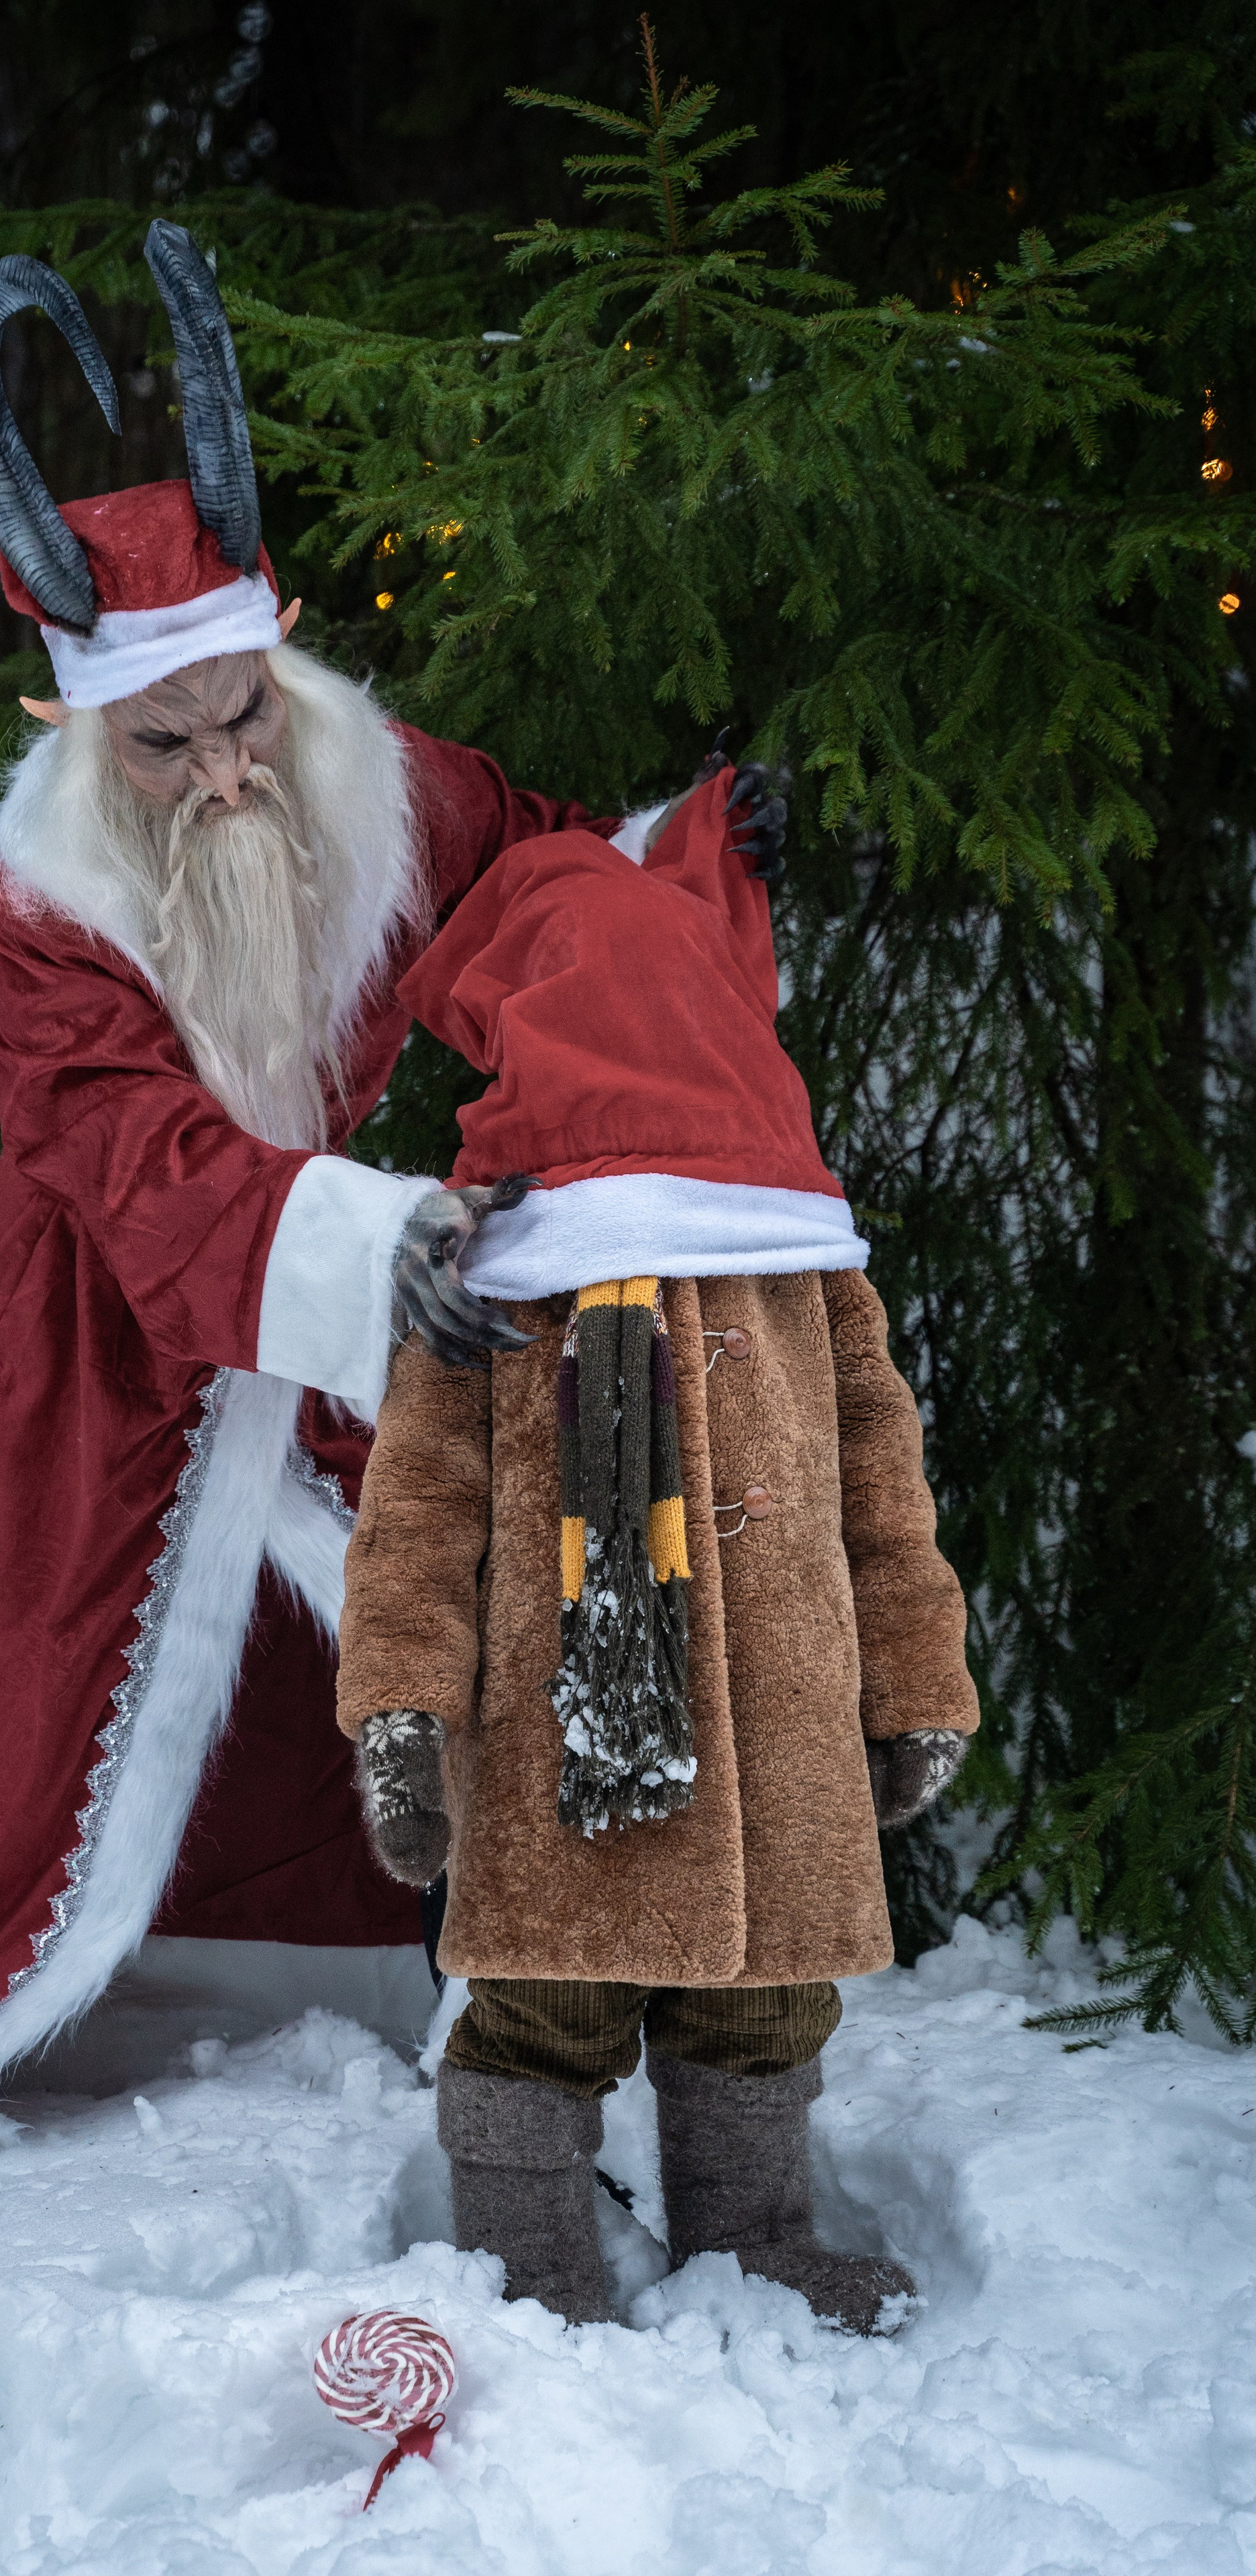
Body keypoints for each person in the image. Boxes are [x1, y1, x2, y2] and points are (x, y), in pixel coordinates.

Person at [0, 228, 788, 2180]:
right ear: (81, 727)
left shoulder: (376, 781)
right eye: (171, 742)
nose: (231, 776)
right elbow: (135, 1163)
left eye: (248, 716)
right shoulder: (39, 905)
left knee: (394, 1637)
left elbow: (548, 883)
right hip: (104, 1339)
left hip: (327, 1307)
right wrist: (369, 1252)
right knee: (14, 1671)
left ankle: (418, 1974)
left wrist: (697, 851)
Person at [335, 753, 978, 2332]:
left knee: (760, 2012)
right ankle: (523, 2268)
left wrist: (912, 1685)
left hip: (781, 1742)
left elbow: (882, 1499)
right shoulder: (496, 1289)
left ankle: (754, 2236)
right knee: (535, 2019)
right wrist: (402, 1712)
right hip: (563, 1761)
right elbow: (411, 1522)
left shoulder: (803, 1273)